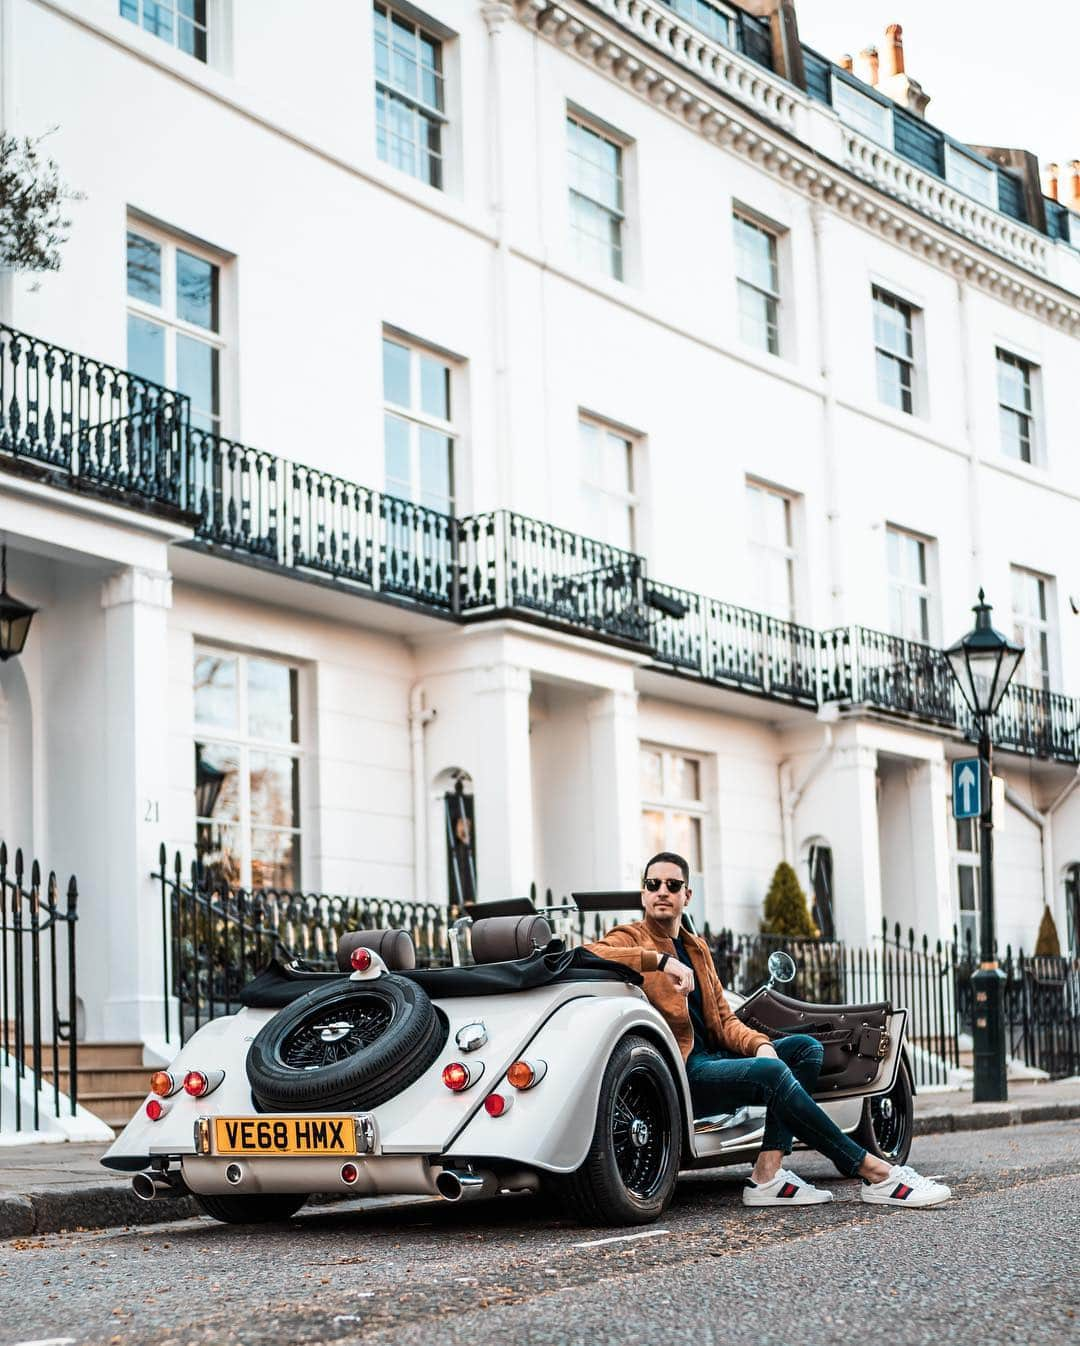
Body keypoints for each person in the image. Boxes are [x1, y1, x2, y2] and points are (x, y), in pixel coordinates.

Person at [586, 851, 951, 1208]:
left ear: (687, 894)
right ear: (643, 894)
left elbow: (725, 1020)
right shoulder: (630, 937)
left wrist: (760, 1043)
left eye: (672, 884)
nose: (662, 891)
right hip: (681, 1072)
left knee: (806, 1049)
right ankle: (876, 1172)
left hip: (714, 1058)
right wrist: (660, 961)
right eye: (653, 884)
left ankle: (767, 1173)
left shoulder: (696, 949)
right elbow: (591, 953)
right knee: (774, 1072)